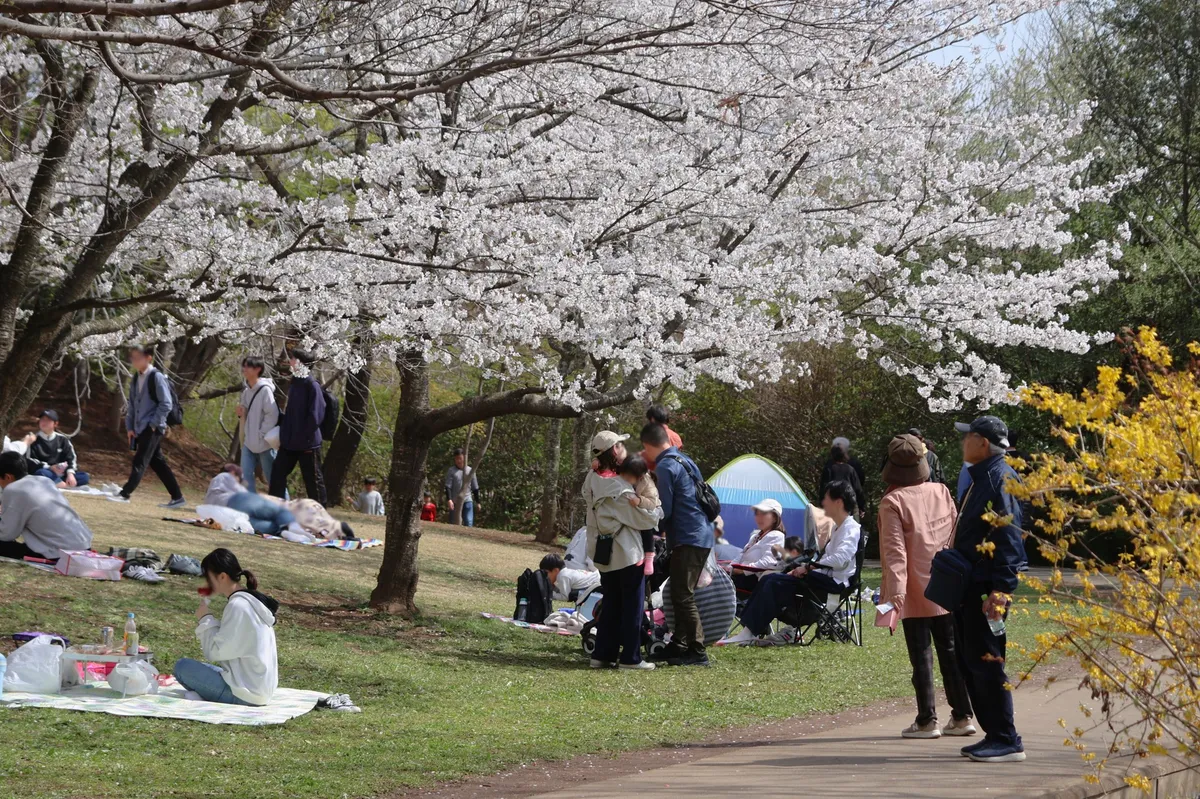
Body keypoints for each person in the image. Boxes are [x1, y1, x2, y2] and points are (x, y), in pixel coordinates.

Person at [878, 434, 975, 740]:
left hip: (914, 587)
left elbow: (895, 552)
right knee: (951, 652)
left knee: (921, 656)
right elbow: (956, 531)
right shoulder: (941, 490)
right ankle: (962, 716)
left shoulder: (891, 501)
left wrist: (894, 596)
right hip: (946, 582)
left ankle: (926, 719)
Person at [951, 415, 1027, 763]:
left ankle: (1005, 738)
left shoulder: (999, 479)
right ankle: (994, 734)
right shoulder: (982, 476)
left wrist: (1001, 592)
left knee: (987, 660)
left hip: (986, 590)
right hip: (970, 587)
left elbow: (1010, 542)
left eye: (968, 437)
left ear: (983, 443)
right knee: (972, 661)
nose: (962, 442)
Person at [720, 481, 861, 645]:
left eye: (827, 499)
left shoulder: (851, 528)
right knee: (771, 579)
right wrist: (804, 569)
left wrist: (809, 567)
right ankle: (750, 630)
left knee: (772, 581)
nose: (823, 503)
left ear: (839, 502)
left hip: (834, 583)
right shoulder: (839, 528)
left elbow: (840, 559)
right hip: (824, 577)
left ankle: (750, 631)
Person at [583, 430, 657, 671]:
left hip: (603, 552)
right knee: (632, 609)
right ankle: (630, 658)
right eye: (620, 444)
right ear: (614, 450)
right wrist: (656, 510)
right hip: (626, 553)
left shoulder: (592, 478)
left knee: (611, 606)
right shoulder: (618, 488)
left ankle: (602, 655)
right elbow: (646, 520)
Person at [641, 422, 713, 667]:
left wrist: (647, 524)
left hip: (687, 537)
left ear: (647, 445)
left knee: (682, 594)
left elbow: (665, 508)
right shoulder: (685, 461)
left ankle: (697, 649)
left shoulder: (665, 466)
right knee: (677, 591)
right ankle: (679, 645)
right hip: (700, 534)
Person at [174, 548, 279, 706]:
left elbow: (216, 652)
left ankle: (206, 696)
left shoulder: (238, 605)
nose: (207, 584)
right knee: (201, 668)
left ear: (222, 576)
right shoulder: (250, 601)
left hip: (247, 695)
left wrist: (205, 618)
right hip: (259, 688)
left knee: (182, 667)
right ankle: (205, 695)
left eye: (209, 578)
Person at [109, 346, 186, 507]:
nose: (134, 361)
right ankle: (177, 497)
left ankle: (125, 493)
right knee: (157, 462)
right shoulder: (137, 378)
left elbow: (166, 403)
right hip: (140, 427)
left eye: (138, 357)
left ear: (148, 358)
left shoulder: (156, 377)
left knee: (140, 460)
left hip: (152, 427)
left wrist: (153, 424)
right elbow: (132, 405)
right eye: (133, 358)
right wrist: (130, 427)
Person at [0, 451, 93, 560]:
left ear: (7, 477)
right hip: (83, 546)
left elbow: (6, 534)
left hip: (60, 552)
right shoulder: (43, 480)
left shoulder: (13, 489)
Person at [268, 349, 327, 505]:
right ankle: (275, 508)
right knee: (278, 472)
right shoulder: (295, 382)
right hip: (290, 442)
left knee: (313, 480)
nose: (290, 361)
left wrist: (304, 437)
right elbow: (292, 414)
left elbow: (316, 416)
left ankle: (320, 515)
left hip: (307, 443)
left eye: (293, 359)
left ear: (301, 362)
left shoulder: (311, 385)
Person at [236, 356, 280, 494]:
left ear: (258, 369)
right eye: (244, 366)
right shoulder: (246, 392)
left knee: (273, 479)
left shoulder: (265, 391)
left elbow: (272, 414)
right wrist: (240, 413)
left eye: (248, 366)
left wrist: (262, 434)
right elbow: (245, 414)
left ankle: (285, 506)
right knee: (245, 477)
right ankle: (250, 508)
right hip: (249, 442)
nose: (244, 369)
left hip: (264, 444)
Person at [729, 498, 786, 593]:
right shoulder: (755, 536)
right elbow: (741, 555)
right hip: (739, 576)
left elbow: (769, 562)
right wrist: (729, 568)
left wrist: (742, 570)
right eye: (757, 513)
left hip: (753, 579)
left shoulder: (776, 535)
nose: (759, 517)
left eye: (763, 513)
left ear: (775, 518)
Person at [26, 410, 89, 488]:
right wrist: (50, 467)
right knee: (41, 473)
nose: (44, 422)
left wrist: (70, 474)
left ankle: (59, 483)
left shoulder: (63, 440)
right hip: (45, 472)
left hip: (61, 474)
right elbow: (29, 460)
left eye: (48, 420)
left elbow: (71, 458)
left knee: (84, 476)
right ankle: (63, 485)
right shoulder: (33, 439)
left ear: (55, 424)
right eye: (42, 420)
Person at [818, 442, 864, 515]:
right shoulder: (850, 469)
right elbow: (858, 490)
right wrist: (861, 507)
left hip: (834, 505)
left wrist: (822, 505)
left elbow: (823, 489)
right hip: (850, 505)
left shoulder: (829, 469)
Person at [643, 406, 683, 475]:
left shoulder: (653, 437)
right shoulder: (676, 436)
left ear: (652, 419)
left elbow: (650, 462)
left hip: (661, 476)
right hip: (678, 473)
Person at [443, 448, 479, 527]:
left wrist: (478, 502)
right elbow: (448, 486)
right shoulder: (451, 470)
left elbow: (475, 488)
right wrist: (449, 500)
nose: (458, 461)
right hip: (455, 502)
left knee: (468, 522)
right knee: (453, 523)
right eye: (456, 459)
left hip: (467, 500)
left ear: (464, 458)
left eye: (460, 458)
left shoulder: (470, 470)